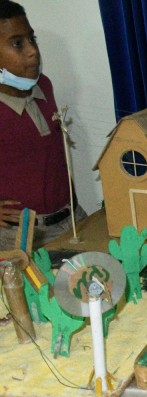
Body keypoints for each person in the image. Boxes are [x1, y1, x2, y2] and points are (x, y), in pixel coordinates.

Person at [0, 0, 82, 250]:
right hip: (16, 236)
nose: (32, 51)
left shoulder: (43, 85)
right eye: (17, 43)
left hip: (71, 219)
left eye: (32, 39)